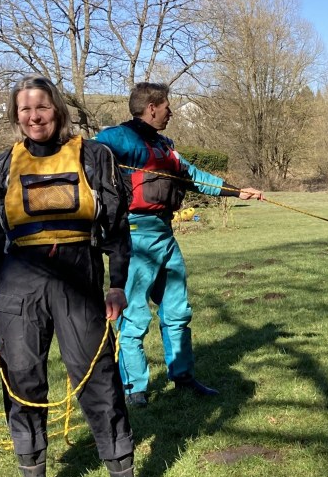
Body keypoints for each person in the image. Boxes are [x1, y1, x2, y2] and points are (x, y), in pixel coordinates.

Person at [0, 75, 162, 477]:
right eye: (24, 110)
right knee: (23, 381)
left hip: (79, 275)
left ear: (58, 109)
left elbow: (116, 227)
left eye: (42, 108)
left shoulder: (94, 157)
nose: (34, 117)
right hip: (19, 283)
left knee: (99, 380)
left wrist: (116, 283)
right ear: (16, 116)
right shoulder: (1, 168)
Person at [95, 82, 263, 407]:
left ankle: (182, 377)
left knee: (177, 310)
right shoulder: (119, 138)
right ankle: (134, 390)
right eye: (167, 106)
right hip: (134, 238)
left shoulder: (165, 147)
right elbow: (87, 153)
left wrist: (237, 191)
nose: (171, 111)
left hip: (164, 235)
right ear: (152, 107)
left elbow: (195, 176)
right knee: (135, 316)